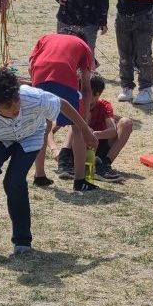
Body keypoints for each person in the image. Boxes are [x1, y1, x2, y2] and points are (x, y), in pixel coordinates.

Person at [0, 67, 98, 258]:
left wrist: (85, 130)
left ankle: (22, 241)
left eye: (16, 100)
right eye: (7, 107)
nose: (15, 108)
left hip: (30, 137)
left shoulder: (33, 97)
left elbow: (63, 104)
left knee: (14, 181)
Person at [29, 29, 98, 192]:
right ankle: (80, 180)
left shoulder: (46, 37)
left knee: (43, 126)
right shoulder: (84, 46)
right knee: (77, 129)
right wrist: (84, 119)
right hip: (63, 76)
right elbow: (87, 88)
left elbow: (31, 65)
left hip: (39, 74)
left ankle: (39, 175)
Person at [56, 73, 133, 182]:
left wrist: (94, 134)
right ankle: (64, 161)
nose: (81, 96)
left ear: (97, 94)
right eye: (80, 92)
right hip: (78, 150)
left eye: (85, 93)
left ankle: (103, 164)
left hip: (98, 145)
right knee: (76, 124)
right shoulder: (75, 103)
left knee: (126, 122)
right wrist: (54, 149)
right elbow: (51, 128)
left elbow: (112, 131)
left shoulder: (104, 105)